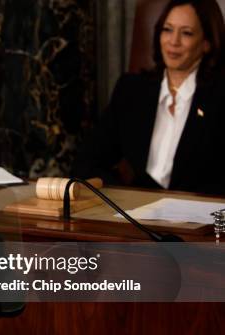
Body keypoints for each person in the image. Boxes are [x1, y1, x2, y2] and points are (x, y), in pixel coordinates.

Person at [74, 0, 225, 195]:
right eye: (167, 30)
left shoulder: (220, 98)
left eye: (186, 33)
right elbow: (86, 163)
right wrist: (126, 196)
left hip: (203, 218)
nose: (173, 41)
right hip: (137, 215)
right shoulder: (131, 90)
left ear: (207, 43)